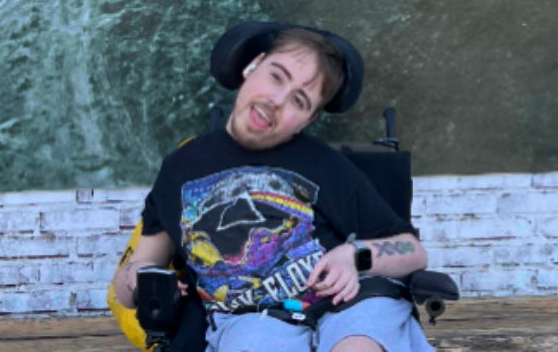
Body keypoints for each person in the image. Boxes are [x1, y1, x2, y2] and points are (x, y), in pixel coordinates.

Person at [111, 23, 433, 351]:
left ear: (307, 120)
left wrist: (354, 256)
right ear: (253, 66)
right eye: (276, 76)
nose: (277, 100)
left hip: (352, 302)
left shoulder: (326, 166)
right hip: (252, 318)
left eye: (299, 101)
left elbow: (413, 251)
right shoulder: (182, 169)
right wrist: (141, 280)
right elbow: (130, 280)